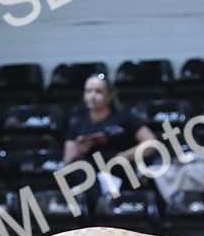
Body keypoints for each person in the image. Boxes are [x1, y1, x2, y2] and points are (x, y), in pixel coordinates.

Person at [63, 74, 158, 208]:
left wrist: (124, 156)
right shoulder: (77, 123)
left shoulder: (124, 117)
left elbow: (151, 143)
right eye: (88, 91)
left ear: (109, 95)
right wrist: (81, 150)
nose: (92, 96)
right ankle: (102, 207)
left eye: (98, 92)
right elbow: (68, 162)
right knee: (78, 167)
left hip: (119, 168)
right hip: (91, 172)